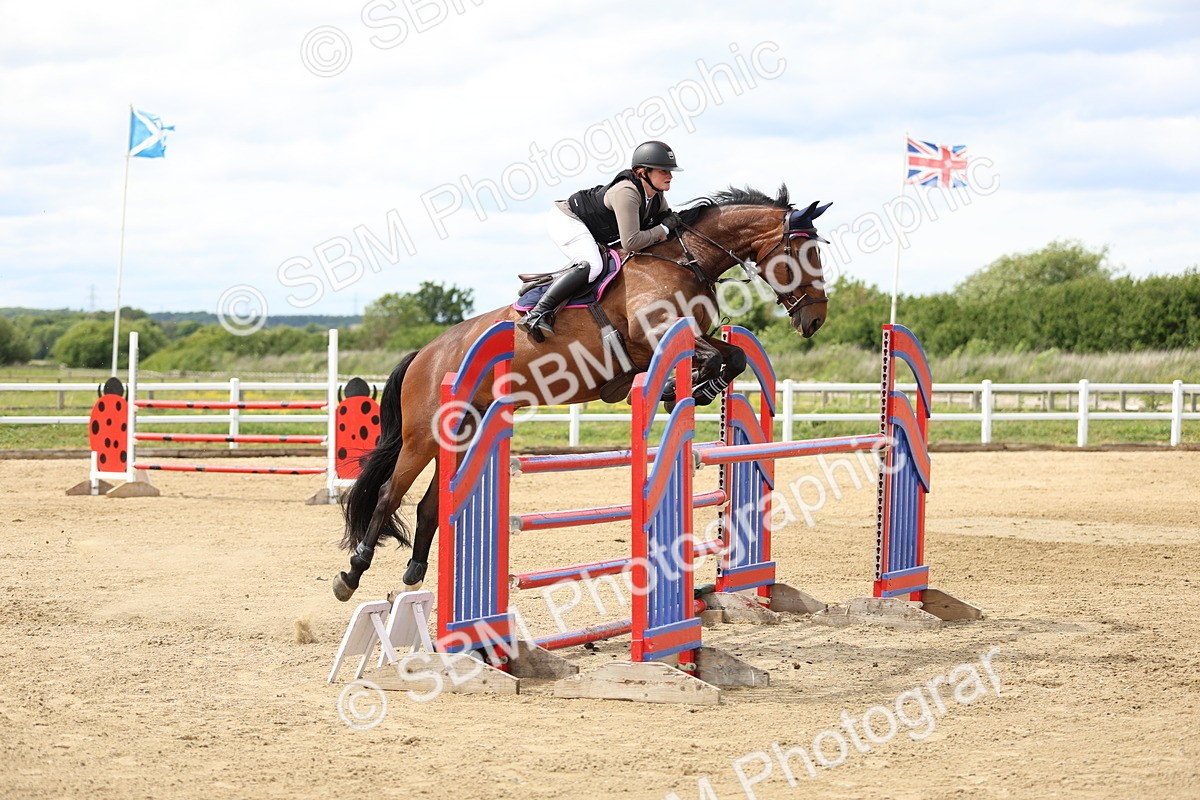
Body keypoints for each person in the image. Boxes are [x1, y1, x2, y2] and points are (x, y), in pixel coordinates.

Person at [518, 140, 686, 337]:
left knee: (601, 266)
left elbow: (662, 225)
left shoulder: (656, 198)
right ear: (642, 172)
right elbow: (631, 243)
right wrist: (665, 227)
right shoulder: (627, 192)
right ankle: (536, 314)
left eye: (670, 171)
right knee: (593, 265)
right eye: (663, 171)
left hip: (591, 229)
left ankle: (550, 280)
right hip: (567, 219)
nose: (670, 176)